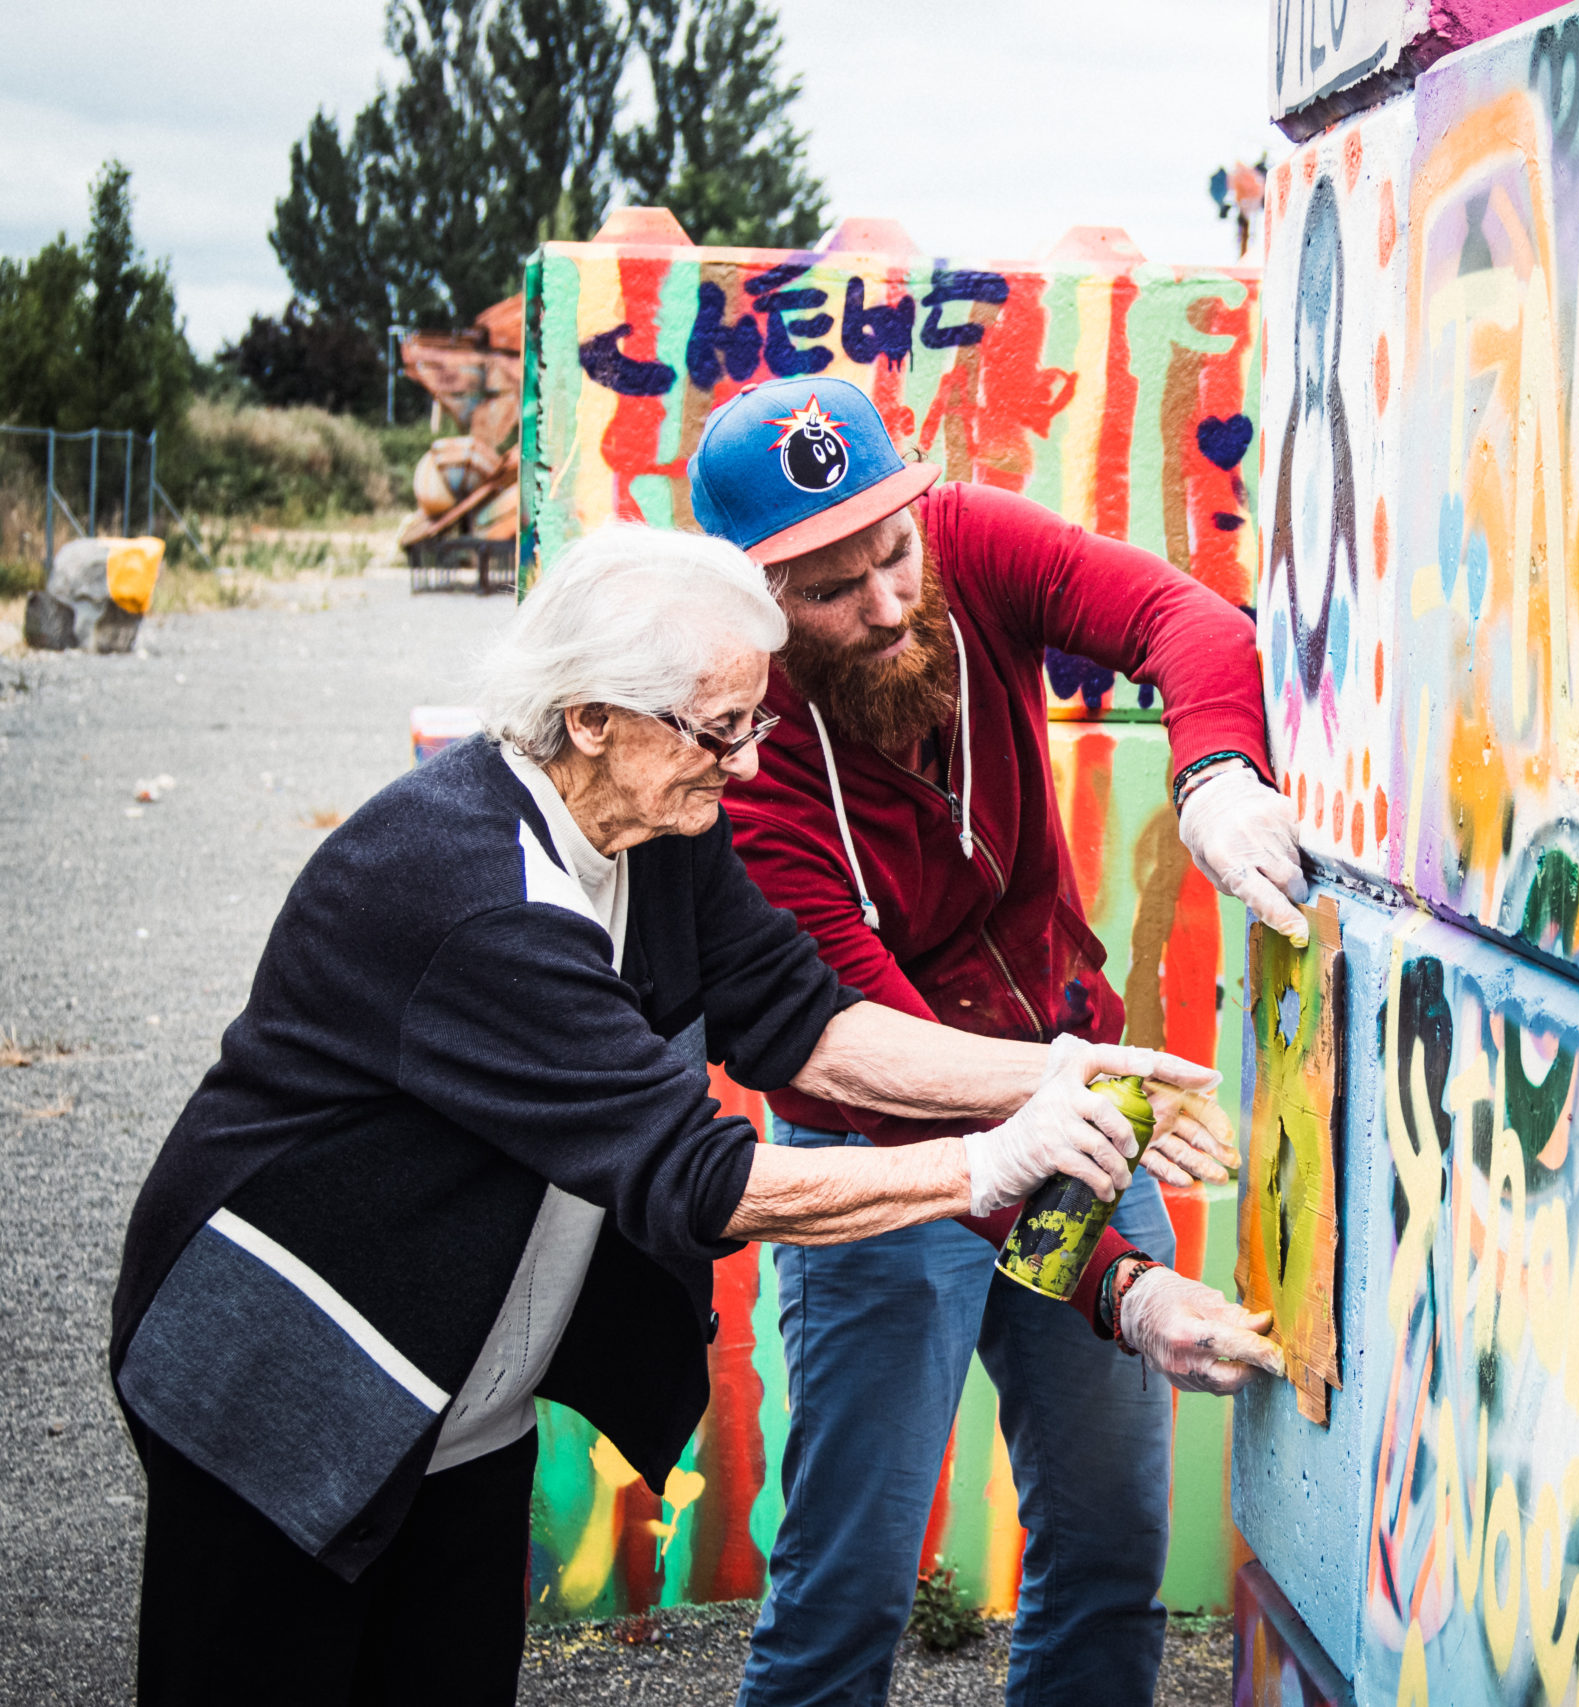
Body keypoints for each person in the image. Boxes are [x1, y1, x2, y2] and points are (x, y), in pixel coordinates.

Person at [107, 524, 1283, 1706]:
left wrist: (1052, 1072)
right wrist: (990, 1162)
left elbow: (808, 1023)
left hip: (457, 1397)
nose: (746, 761)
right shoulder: (477, 896)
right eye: (720, 730)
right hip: (288, 1371)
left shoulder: (658, 829)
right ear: (591, 719)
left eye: (754, 721)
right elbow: (706, 1182)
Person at [684, 374, 1310, 1707]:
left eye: (892, 550)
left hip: (1078, 1104)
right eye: (828, 587)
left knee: (1105, 1549)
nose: (889, 601)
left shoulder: (969, 542)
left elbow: (1177, 616)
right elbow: (894, 1085)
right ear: (749, 601)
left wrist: (1215, 775)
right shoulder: (748, 776)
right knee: (845, 1586)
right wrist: (1122, 1286)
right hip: (883, 1156)